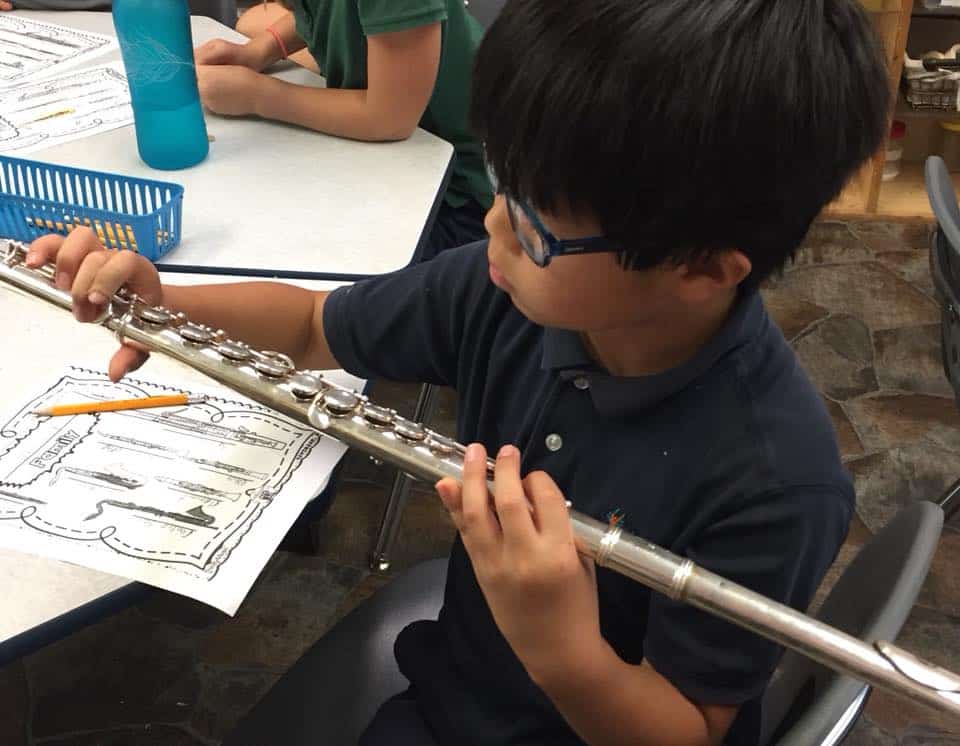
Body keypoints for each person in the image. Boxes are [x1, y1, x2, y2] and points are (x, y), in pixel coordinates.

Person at [25, 0, 890, 743]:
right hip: (458, 695)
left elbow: (690, 730)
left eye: (540, 229)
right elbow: (306, 326)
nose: (498, 227)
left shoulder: (777, 479)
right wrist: (167, 302)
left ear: (701, 269)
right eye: (507, 185)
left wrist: (562, 648)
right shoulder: (506, 291)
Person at [193, 0, 493, 258]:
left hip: (461, 201)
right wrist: (259, 50)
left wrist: (259, 96)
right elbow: (319, 13)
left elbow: (389, 118)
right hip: (392, 165)